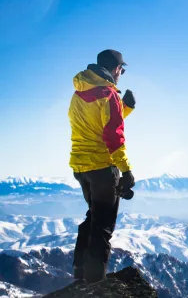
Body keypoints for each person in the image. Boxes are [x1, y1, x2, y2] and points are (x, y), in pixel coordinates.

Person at [68, 49, 136, 283]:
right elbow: (113, 137)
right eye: (121, 69)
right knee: (103, 226)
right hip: (102, 169)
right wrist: (126, 171)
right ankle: (95, 284)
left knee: (93, 217)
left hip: (81, 168)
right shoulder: (108, 95)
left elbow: (96, 126)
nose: (121, 74)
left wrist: (124, 109)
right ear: (115, 69)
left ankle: (80, 274)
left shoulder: (79, 93)